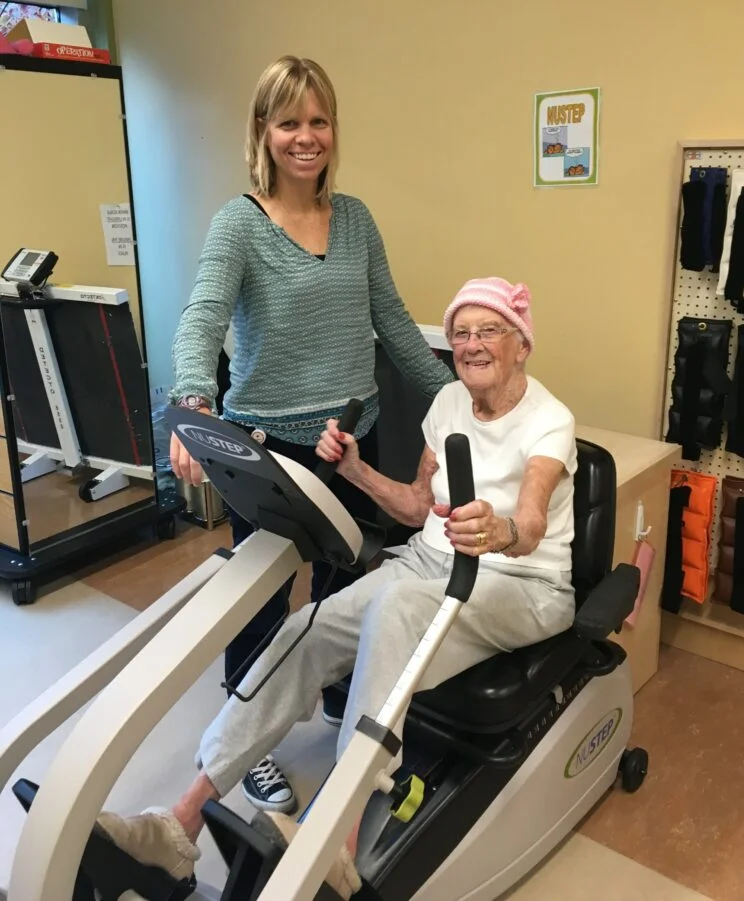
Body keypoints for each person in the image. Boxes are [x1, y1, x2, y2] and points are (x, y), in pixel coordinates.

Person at [97, 276, 578, 899]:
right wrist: (353, 468)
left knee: (397, 606)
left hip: (522, 582)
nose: (472, 344)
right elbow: (413, 507)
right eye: (460, 332)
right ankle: (179, 824)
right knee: (308, 624)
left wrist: (502, 527)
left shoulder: (549, 419)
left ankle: (338, 846)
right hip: (433, 565)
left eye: (489, 331)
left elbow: (534, 523)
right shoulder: (449, 405)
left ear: (521, 345)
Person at [168, 54, 454, 813]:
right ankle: (243, 737)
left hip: (352, 440)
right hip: (271, 449)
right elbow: (201, 315)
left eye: (318, 120)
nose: (305, 136)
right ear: (263, 130)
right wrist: (194, 400)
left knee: (342, 584)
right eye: (288, 120)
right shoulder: (240, 223)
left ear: (333, 129)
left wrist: (465, 403)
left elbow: (392, 324)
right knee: (261, 598)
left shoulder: (354, 219)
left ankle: (326, 684)